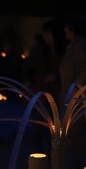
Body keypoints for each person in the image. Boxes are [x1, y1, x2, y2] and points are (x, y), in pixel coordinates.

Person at [58, 14, 86, 169]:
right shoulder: (74, 45)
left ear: (71, 29)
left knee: (77, 131)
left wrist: (77, 87)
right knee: (75, 131)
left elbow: (85, 65)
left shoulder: (80, 44)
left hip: (75, 96)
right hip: (72, 94)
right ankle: (85, 164)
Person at [24, 19, 65, 154]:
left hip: (56, 93)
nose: (47, 36)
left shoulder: (62, 50)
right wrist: (34, 79)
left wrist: (56, 77)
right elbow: (29, 69)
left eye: (50, 33)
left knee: (54, 127)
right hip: (40, 92)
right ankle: (40, 156)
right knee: (38, 126)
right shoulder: (38, 49)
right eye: (45, 33)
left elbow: (66, 71)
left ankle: (54, 155)